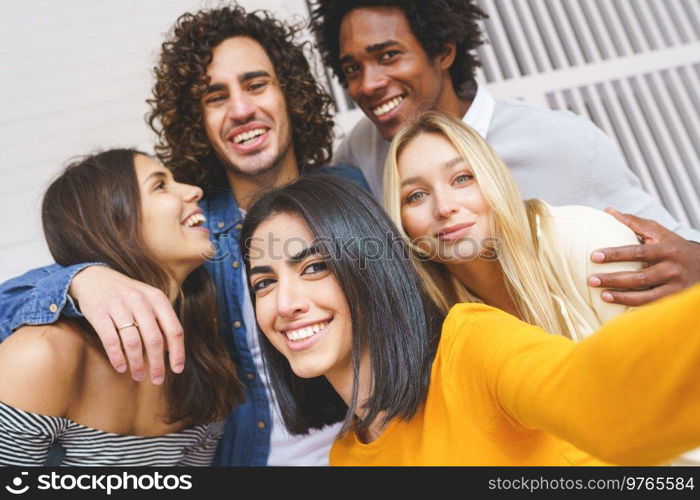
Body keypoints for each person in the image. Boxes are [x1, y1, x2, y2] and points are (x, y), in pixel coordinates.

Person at [0, 6, 368, 466]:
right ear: (199, 122)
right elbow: (19, 313)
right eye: (215, 97)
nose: (240, 109)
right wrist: (81, 278)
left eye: (256, 84)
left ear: (288, 93)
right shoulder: (196, 240)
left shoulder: (353, 190)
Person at [239, 174, 700, 466]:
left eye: (314, 267)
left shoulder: (470, 343)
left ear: (369, 270)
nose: (285, 304)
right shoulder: (347, 460)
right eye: (264, 283)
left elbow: (599, 396)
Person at [309, 0, 700, 307]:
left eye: (388, 56)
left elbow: (672, 250)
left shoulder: (559, 141)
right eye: (352, 68)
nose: (368, 84)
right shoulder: (362, 147)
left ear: (444, 52)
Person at [0, 150, 242, 466]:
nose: (193, 191)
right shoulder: (43, 354)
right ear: (115, 225)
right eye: (160, 185)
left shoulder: (204, 360)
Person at [384, 111, 642, 340]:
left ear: (494, 178)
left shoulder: (589, 240)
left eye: (462, 178)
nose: (443, 207)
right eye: (416, 195)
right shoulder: (429, 320)